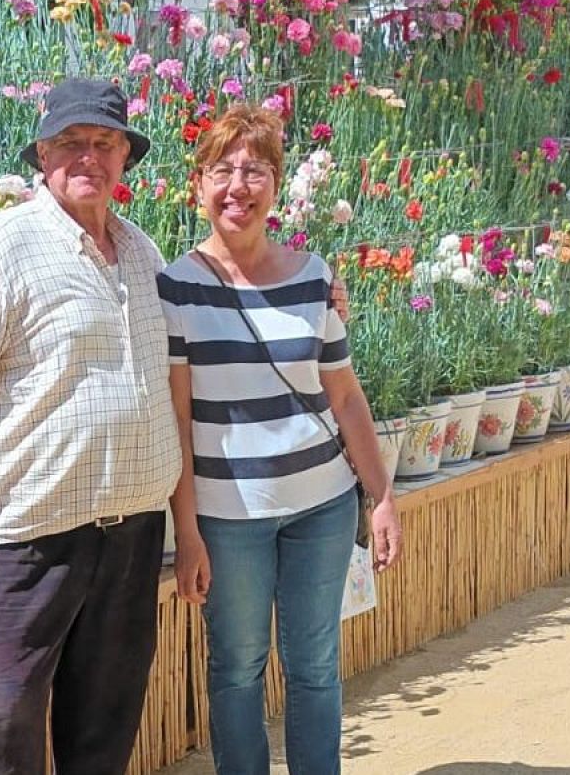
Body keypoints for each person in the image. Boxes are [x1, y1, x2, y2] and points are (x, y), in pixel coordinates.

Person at [0, 78, 181, 775]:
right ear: (42, 156)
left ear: (125, 159)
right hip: (27, 546)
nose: (89, 156)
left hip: (132, 536)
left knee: (104, 734)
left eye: (105, 143)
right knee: (8, 730)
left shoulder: (145, 255)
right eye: (71, 143)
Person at [159, 103, 401, 775]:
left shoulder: (312, 275)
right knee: (236, 669)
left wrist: (380, 497)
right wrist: (188, 532)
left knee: (316, 666)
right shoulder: (175, 286)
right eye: (223, 169)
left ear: (276, 183)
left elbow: (345, 394)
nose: (239, 185)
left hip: (322, 505)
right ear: (199, 184)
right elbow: (176, 418)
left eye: (255, 169)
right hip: (227, 519)